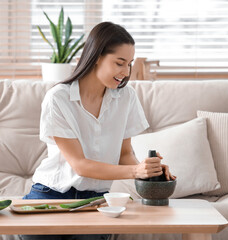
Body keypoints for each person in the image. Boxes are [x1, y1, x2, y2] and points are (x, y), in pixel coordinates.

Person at [20, 22, 176, 240]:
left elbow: (124, 155)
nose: (126, 72)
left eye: (129, 64)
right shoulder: (58, 98)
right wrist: (136, 172)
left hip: (96, 199)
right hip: (51, 193)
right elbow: (80, 165)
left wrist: (150, 171)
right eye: (120, 63)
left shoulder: (126, 98)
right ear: (96, 57)